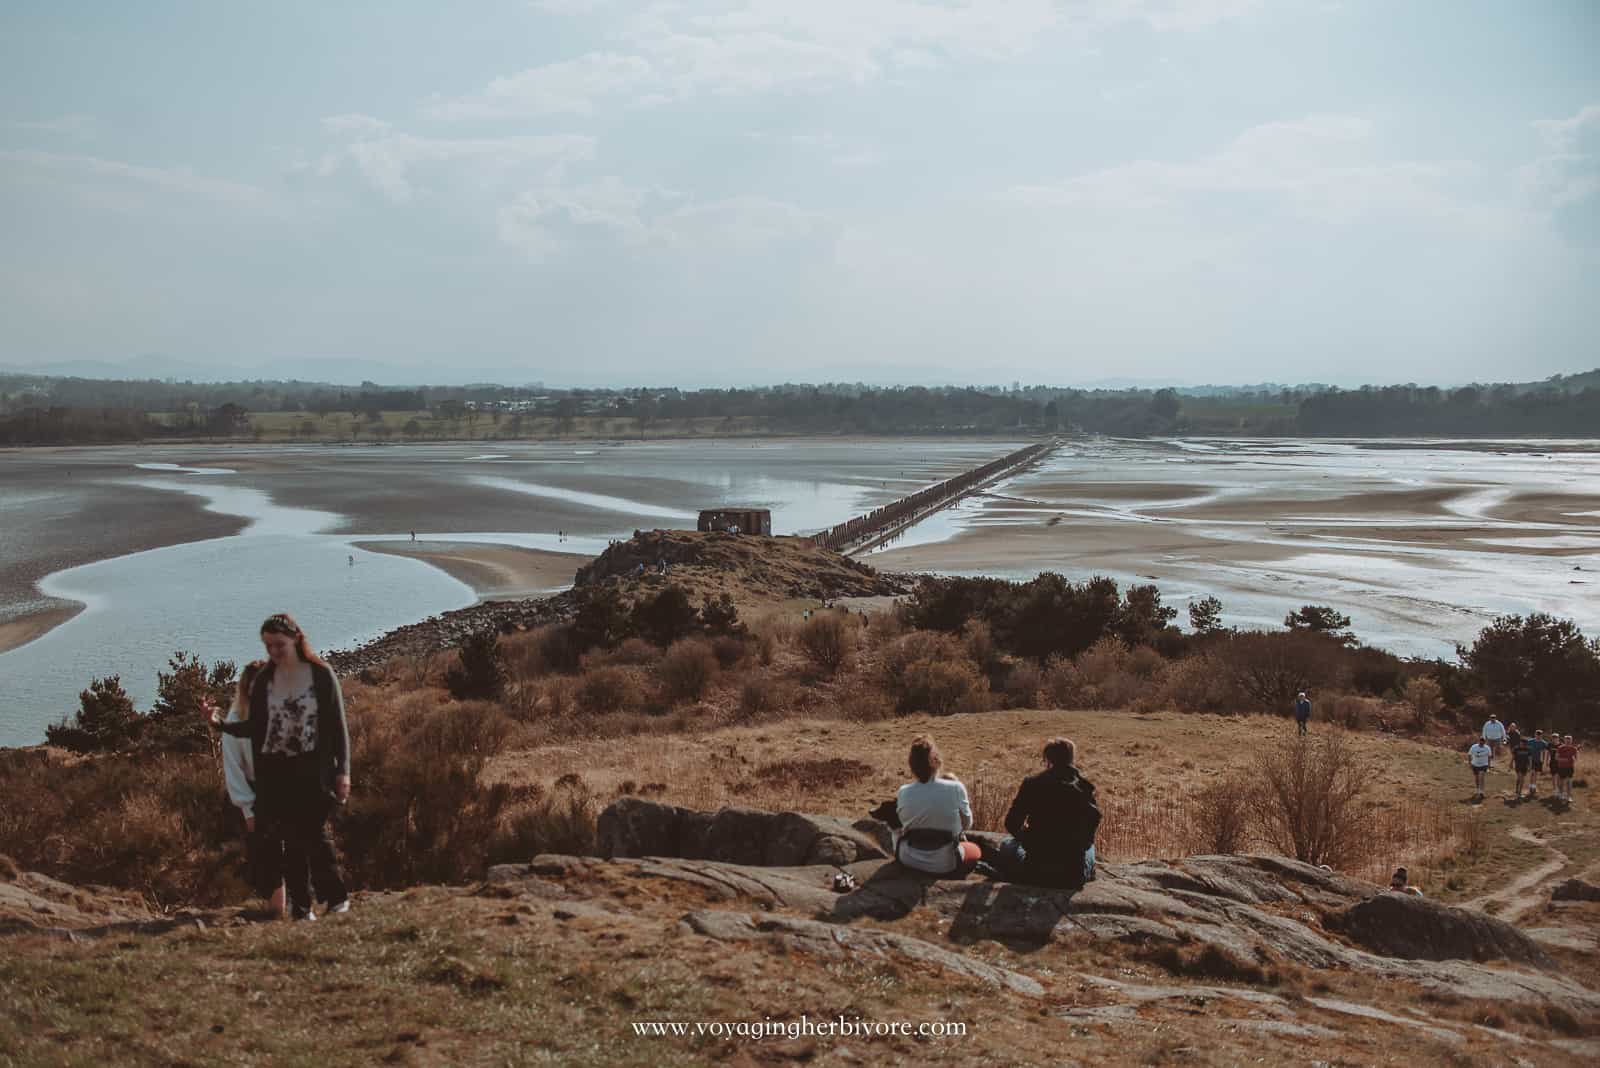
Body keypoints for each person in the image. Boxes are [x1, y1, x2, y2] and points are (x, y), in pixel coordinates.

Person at [220, 613, 352, 920]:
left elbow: (337, 726)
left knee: (317, 838)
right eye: (268, 645)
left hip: (314, 770)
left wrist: (343, 770)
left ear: (296, 639)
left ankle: (336, 898)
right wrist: (219, 725)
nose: (273, 651)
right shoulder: (266, 679)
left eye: (279, 644)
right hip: (276, 775)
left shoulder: (320, 674)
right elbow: (254, 726)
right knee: (292, 844)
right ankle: (302, 909)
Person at [208, 660, 286, 916]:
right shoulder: (235, 720)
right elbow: (234, 769)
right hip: (258, 795)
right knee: (269, 854)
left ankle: (292, 906)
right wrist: (248, 810)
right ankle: (278, 909)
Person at [995, 737, 1101, 889]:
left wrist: (1028, 838)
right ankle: (1087, 872)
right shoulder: (1085, 787)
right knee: (1091, 849)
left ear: (1048, 758)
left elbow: (1011, 823)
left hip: (1036, 869)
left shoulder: (1032, 783)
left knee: (1007, 844)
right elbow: (1091, 828)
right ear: (1071, 759)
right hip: (1072, 874)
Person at [893, 737, 981, 877]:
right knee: (975, 850)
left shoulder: (903, 791)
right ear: (938, 761)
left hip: (908, 859)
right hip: (945, 863)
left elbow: (903, 823)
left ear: (912, 765)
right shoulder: (956, 787)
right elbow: (967, 824)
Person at [1552, 735, 1579, 803]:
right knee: (1561, 782)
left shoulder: (1574, 749)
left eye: (1569, 740)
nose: (1568, 742)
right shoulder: (1560, 748)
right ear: (1564, 740)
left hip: (1570, 768)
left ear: (1571, 741)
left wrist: (1574, 759)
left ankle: (1569, 796)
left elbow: (1576, 759)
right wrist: (1564, 760)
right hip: (1561, 767)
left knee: (1569, 782)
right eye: (1567, 740)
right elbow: (1556, 758)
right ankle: (1561, 794)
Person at [1510, 728, 1531, 800]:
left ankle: (1519, 792)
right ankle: (1517, 790)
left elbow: (1529, 758)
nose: (1522, 744)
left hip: (1525, 766)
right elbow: (1513, 757)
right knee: (1520, 778)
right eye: (1521, 743)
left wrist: (1530, 766)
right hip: (1518, 766)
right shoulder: (1516, 749)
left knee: (1522, 779)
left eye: (1523, 743)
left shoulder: (1528, 749)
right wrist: (1511, 764)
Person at [1527, 729, 1549, 798]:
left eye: (1540, 735)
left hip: (1539, 760)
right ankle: (1531, 786)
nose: (1538, 736)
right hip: (1531, 759)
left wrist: (1545, 761)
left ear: (1541, 735)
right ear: (1535, 734)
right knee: (1532, 772)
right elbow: (1527, 750)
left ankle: (1534, 786)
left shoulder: (1544, 743)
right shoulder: (1530, 741)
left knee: (1536, 773)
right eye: (1537, 734)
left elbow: (1547, 751)